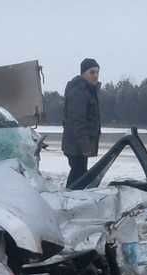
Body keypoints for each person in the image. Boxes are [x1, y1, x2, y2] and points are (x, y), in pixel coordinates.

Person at [62, 58, 102, 188]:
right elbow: (77, 122)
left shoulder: (88, 90)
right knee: (78, 176)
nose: (95, 75)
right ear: (83, 73)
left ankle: (70, 199)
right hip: (76, 145)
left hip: (79, 145)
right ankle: (68, 201)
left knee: (79, 175)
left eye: (97, 72)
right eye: (92, 72)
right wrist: (85, 146)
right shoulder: (79, 92)